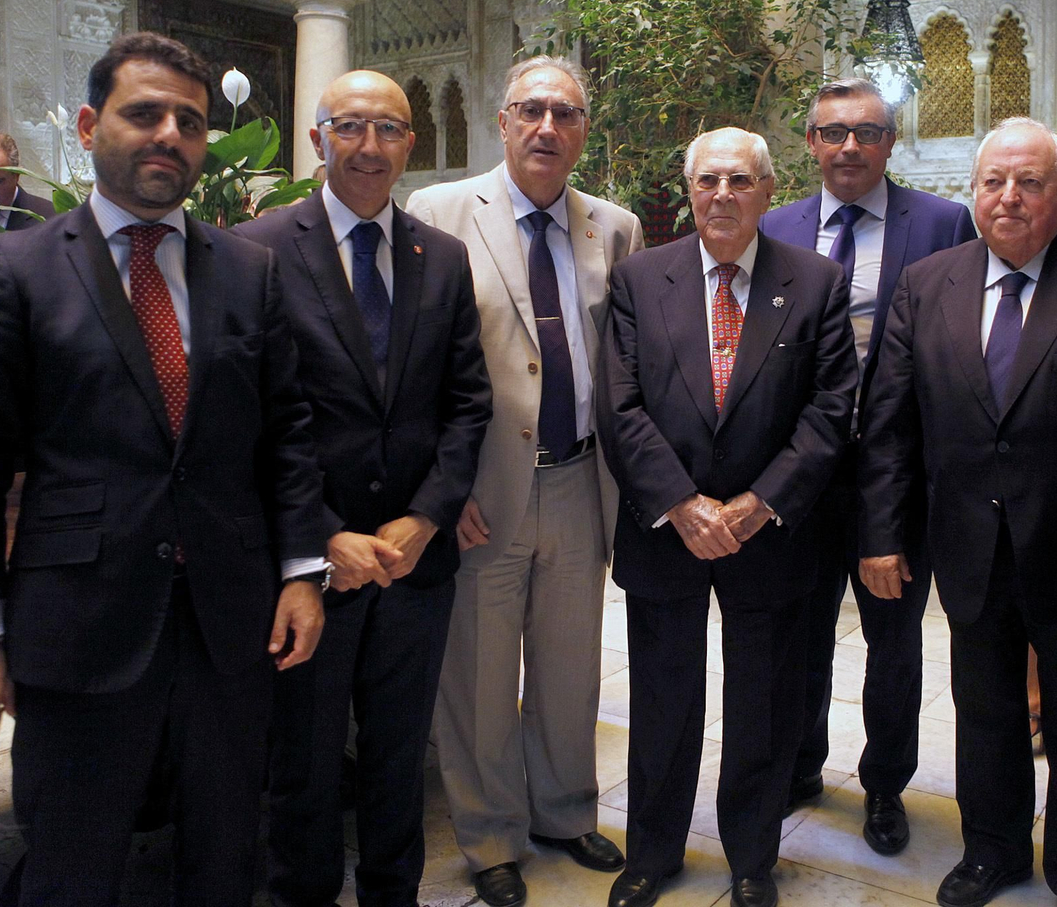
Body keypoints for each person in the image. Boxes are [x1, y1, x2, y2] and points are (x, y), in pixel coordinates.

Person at [0, 32, 331, 906]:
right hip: (81, 625)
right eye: (143, 113)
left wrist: (303, 570)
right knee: (73, 860)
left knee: (225, 855)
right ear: (87, 124)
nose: (169, 135)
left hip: (229, 623)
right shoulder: (16, 269)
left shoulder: (249, 271)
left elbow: (285, 432)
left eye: (189, 121)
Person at [860, 117, 1057, 907]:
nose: (1008, 198)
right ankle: (995, 851)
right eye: (992, 182)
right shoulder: (927, 281)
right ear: (971, 193)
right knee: (985, 713)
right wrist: (882, 535)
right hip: (969, 546)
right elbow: (890, 423)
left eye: (1029, 183)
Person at [236, 70, 492, 907]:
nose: (371, 146)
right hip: (315, 569)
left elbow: (467, 404)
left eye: (389, 129)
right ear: (318, 138)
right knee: (304, 762)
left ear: (410, 143)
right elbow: (254, 419)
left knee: (395, 754)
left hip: (415, 566)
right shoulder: (258, 251)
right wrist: (323, 535)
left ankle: (393, 894)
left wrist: (426, 516)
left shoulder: (441, 257)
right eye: (351, 127)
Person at [598, 127, 858, 907]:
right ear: (689, 188)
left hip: (767, 533)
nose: (721, 195)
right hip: (667, 529)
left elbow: (830, 408)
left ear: (767, 190)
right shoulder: (640, 279)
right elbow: (619, 404)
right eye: (707, 180)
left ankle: (752, 857)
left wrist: (758, 502)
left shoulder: (814, 281)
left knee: (763, 702)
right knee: (663, 697)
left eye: (739, 181)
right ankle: (651, 852)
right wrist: (680, 502)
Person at [408, 55, 642, 907]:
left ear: (584, 129)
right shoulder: (436, 213)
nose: (548, 126)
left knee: (570, 664)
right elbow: (416, 364)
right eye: (531, 110)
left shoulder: (612, 227)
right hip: (481, 491)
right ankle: (491, 834)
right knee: (476, 676)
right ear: (502, 121)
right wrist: (442, 488)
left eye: (566, 113)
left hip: (581, 480)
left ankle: (564, 808)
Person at [759, 77, 975, 854]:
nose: (849, 145)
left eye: (867, 131)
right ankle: (802, 764)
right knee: (800, 631)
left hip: (898, 479)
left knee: (893, 643)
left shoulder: (946, 222)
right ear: (810, 143)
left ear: (890, 141)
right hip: (801, 476)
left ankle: (885, 784)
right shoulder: (775, 225)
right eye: (833, 132)